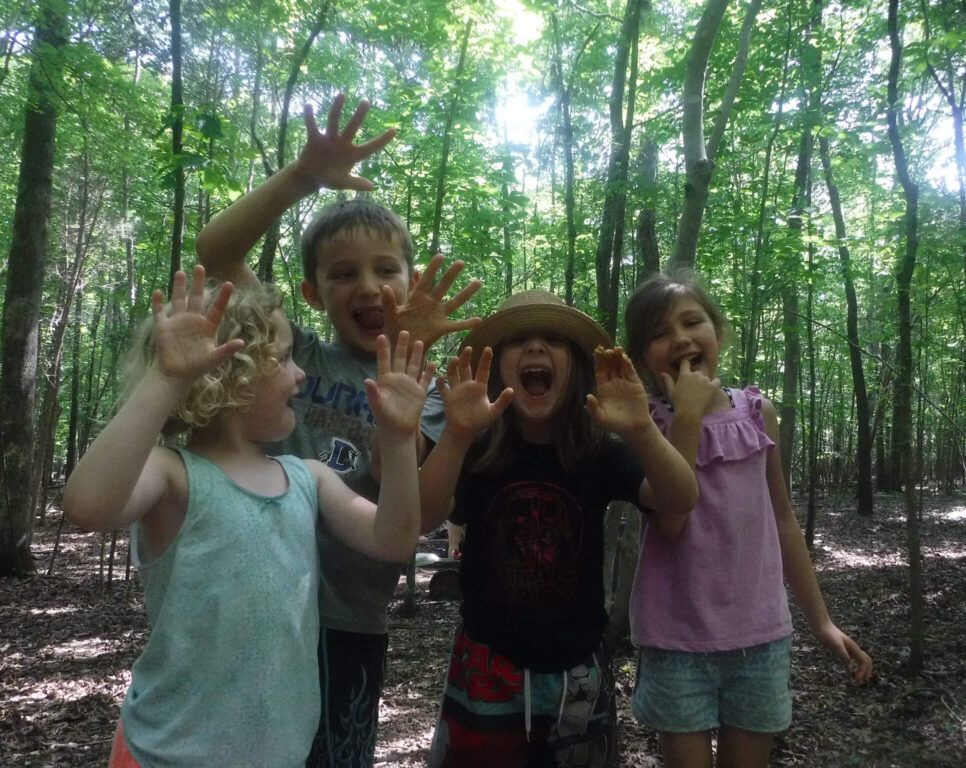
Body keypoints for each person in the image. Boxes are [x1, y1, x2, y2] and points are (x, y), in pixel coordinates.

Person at [196, 93, 480, 767]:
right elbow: (215, 254)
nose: (368, 285)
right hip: (255, 609)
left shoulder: (427, 395)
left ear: (410, 287)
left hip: (349, 621)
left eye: (386, 271)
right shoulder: (290, 352)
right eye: (344, 274)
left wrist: (403, 421)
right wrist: (301, 177)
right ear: (316, 295)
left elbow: (418, 514)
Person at [64, 266, 431, 768]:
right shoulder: (174, 475)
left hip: (278, 754)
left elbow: (394, 539)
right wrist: (167, 378)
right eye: (282, 360)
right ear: (228, 374)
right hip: (166, 754)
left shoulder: (308, 476)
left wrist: (399, 436)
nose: (300, 373)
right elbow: (87, 505)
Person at [418, 290, 701, 767]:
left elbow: (679, 498)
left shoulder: (598, 451)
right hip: (486, 665)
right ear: (497, 367)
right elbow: (422, 518)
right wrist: (455, 435)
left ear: (573, 369)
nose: (534, 349)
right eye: (519, 341)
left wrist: (640, 429)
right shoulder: (478, 452)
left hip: (579, 674)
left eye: (551, 339)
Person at [623, 270, 874, 768]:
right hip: (678, 637)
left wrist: (820, 621)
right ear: (641, 358)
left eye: (692, 321)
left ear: (718, 330)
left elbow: (783, 520)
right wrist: (686, 418)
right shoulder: (644, 423)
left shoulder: (759, 411)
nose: (679, 339)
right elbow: (670, 521)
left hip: (760, 637)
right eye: (658, 333)